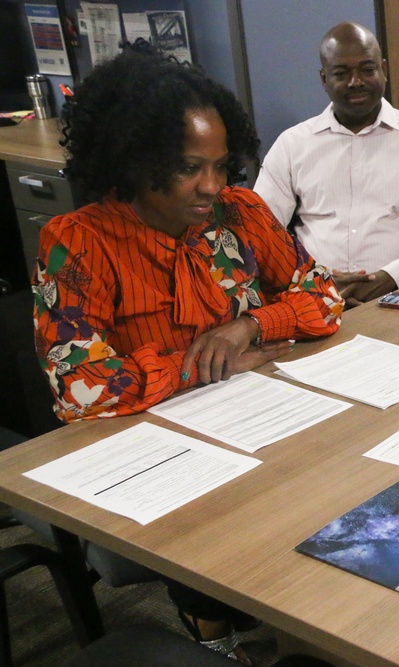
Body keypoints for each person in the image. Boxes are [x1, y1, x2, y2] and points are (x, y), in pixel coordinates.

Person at [34, 50, 345, 662]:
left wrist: (252, 325)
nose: (212, 185)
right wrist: (194, 366)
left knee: (333, 500)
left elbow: (325, 297)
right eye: (187, 168)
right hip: (158, 460)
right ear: (134, 160)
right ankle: (221, 638)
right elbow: (81, 388)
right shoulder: (79, 243)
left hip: (264, 424)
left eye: (221, 165)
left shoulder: (242, 214)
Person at [254, 22, 399, 307]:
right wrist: (315, 279)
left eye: (367, 69)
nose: (356, 81)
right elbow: (260, 232)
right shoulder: (292, 144)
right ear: (323, 79)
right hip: (313, 300)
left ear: (383, 70)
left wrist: (391, 276)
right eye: (341, 73)